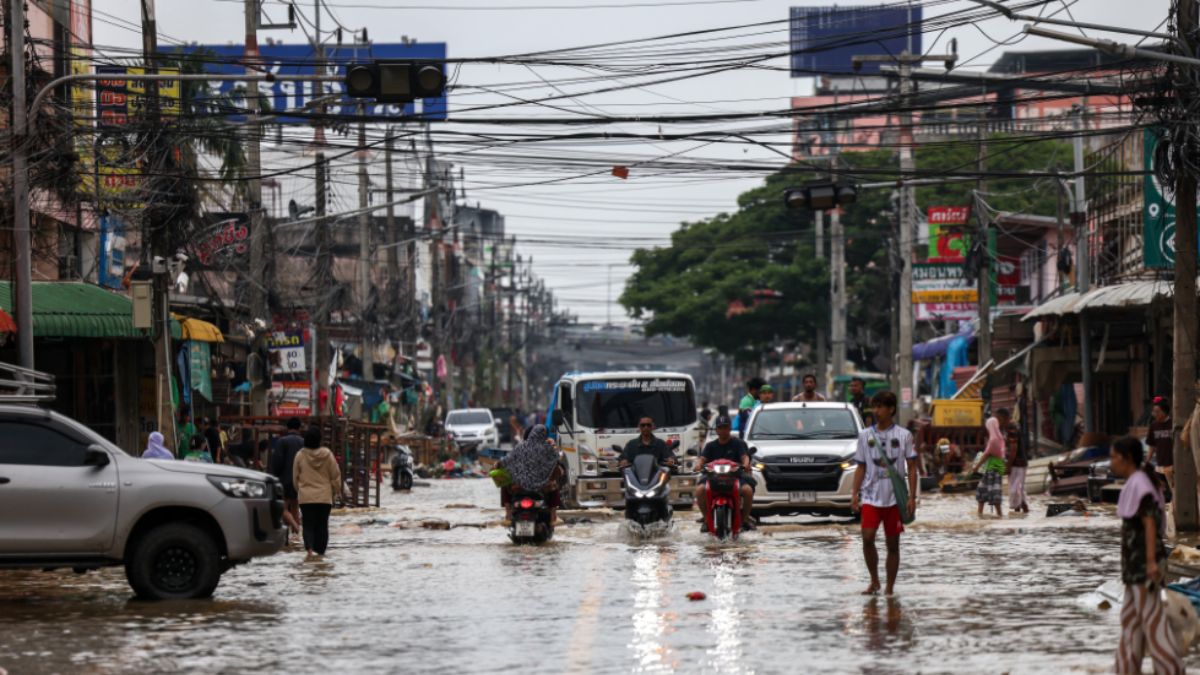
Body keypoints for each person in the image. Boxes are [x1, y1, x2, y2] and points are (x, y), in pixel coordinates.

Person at [1111, 435, 1181, 674]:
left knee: (1152, 621)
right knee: (1130, 620)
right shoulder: (1137, 482)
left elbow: (1150, 524)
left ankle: (1172, 669)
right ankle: (1125, 669)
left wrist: (1151, 562)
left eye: (1114, 457)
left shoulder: (1141, 485)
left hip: (1144, 566)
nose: (1112, 462)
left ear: (1127, 458)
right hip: (1134, 568)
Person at [851, 391, 918, 596]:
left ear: (891, 409)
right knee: (867, 537)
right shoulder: (864, 435)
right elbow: (860, 467)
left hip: (894, 499)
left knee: (893, 544)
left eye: (880, 407)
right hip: (870, 496)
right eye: (874, 406)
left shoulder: (904, 435)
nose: (876, 411)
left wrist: (912, 497)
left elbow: (912, 467)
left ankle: (889, 588)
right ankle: (874, 581)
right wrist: (854, 494)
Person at [695, 414, 755, 531]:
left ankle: (744, 519)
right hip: (713, 477)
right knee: (699, 490)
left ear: (730, 428)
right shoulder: (710, 446)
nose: (723, 430)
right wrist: (698, 465)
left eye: (725, 427)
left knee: (748, 491)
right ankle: (707, 519)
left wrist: (745, 465)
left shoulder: (738, 443)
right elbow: (702, 459)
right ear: (716, 429)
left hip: (735, 477)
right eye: (720, 427)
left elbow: (745, 457)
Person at [293, 426, 343, 558]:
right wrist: (336, 491)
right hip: (324, 498)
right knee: (322, 525)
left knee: (308, 525)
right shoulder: (328, 454)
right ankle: (320, 555)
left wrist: (300, 491)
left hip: (306, 497)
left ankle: (309, 551)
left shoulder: (300, 455)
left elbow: (295, 477)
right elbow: (335, 475)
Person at [498, 425, 563, 522]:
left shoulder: (520, 447)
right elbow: (558, 459)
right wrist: (552, 444)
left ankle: (508, 512)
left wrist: (497, 465)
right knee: (553, 484)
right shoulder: (547, 448)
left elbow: (505, 461)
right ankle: (553, 514)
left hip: (519, 485)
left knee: (504, 482)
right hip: (541, 487)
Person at [269, 418, 306, 536]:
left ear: (287, 427)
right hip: (300, 480)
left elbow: (277, 462)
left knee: (282, 509)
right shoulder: (304, 442)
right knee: (295, 507)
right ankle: (296, 538)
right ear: (299, 428)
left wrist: (273, 476)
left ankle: (295, 527)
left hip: (284, 480)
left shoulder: (282, 441)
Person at [972, 413, 1007, 517]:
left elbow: (986, 455)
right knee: (982, 489)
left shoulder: (993, 440)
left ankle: (999, 514)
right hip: (994, 467)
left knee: (994, 492)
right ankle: (980, 514)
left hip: (994, 468)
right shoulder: (999, 438)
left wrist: (977, 466)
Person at [999, 409, 1030, 513]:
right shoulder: (1010, 427)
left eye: (999, 419)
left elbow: (1013, 448)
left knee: (1015, 489)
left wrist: (1008, 465)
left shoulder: (1011, 428)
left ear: (1004, 418)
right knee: (1018, 489)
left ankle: (1018, 513)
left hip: (1017, 463)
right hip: (1018, 462)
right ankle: (1023, 513)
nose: (998, 422)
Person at [1147, 397, 1174, 494]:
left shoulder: (1173, 424)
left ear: (1164, 412)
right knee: (1158, 492)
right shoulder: (1153, 426)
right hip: (1159, 466)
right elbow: (1152, 445)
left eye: (1157, 412)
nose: (1155, 414)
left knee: (1174, 492)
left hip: (1173, 466)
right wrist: (1147, 461)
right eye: (1153, 412)